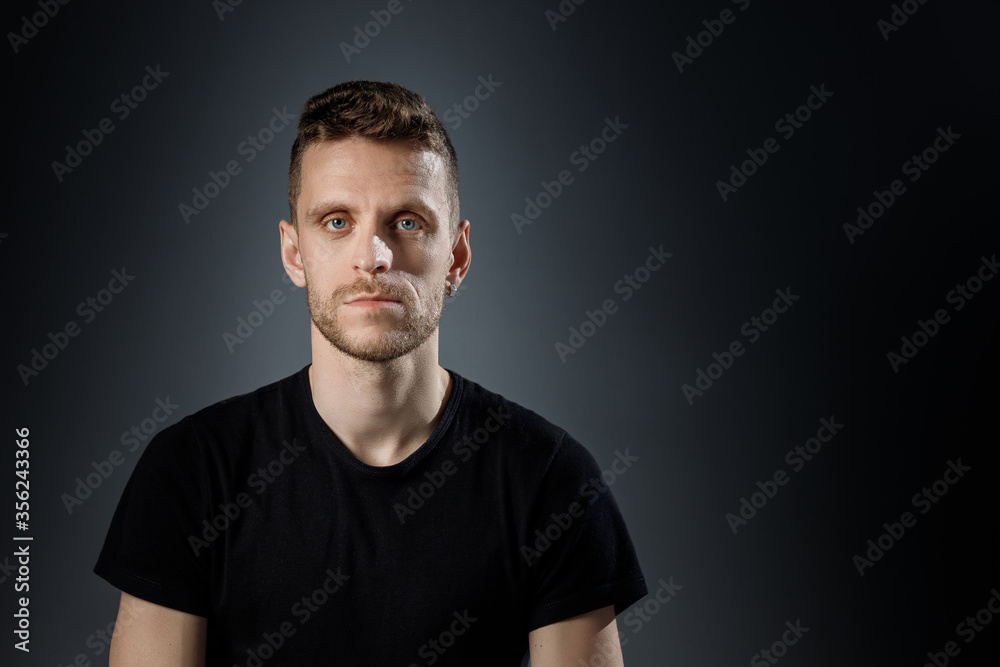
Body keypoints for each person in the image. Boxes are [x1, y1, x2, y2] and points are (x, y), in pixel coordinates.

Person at [95, 80, 647, 666]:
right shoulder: (192, 474)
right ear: (293, 253)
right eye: (336, 221)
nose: (373, 256)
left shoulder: (551, 482)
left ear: (456, 256)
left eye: (407, 222)